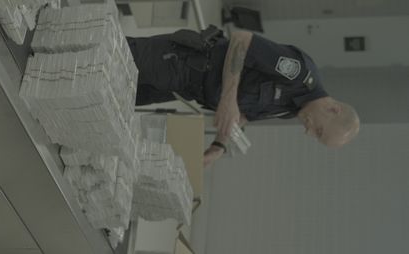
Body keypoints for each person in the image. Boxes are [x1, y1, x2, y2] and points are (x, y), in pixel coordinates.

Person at [127, 28, 360, 167]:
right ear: (333, 110)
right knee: (113, 59)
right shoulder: (298, 72)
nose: (308, 132)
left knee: (123, 94)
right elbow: (242, 40)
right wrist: (228, 100)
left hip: (183, 88)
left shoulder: (294, 108)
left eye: (316, 136)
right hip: (183, 60)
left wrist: (220, 144)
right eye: (319, 131)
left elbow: (245, 113)